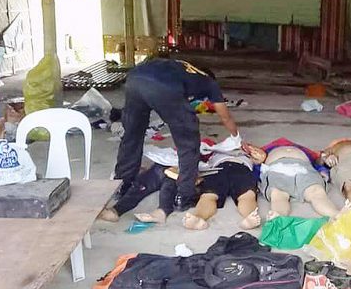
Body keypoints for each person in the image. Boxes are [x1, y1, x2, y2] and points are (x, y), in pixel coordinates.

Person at [114, 58, 239, 211]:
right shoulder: (209, 83)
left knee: (132, 135)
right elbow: (225, 116)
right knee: (189, 143)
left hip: (134, 79)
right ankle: (185, 196)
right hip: (164, 87)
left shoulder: (182, 66)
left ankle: (122, 185)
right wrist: (237, 137)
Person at [249, 138, 339, 220]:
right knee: (278, 194)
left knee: (317, 192)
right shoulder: (263, 153)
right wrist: (257, 163)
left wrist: (325, 164)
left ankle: (336, 214)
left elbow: (319, 161)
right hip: (277, 168)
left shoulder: (307, 152)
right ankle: (278, 216)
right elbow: (254, 167)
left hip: (304, 168)